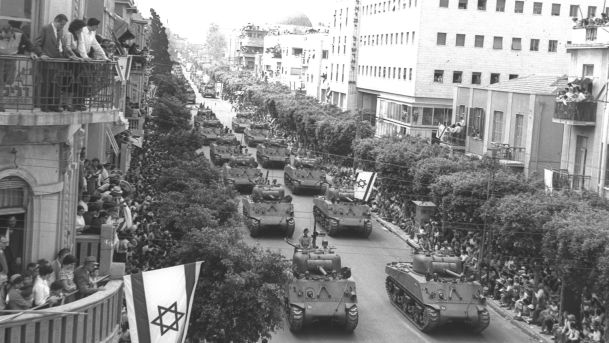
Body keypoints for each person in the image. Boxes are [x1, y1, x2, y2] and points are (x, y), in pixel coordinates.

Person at [33, 14, 69, 112]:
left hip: (58, 62)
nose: (62, 27)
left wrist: (69, 56)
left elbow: (62, 46)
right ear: (56, 20)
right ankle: (45, 106)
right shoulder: (45, 28)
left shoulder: (60, 32)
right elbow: (37, 44)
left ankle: (55, 105)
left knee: (57, 85)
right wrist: (41, 54)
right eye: (61, 24)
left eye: (63, 25)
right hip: (47, 62)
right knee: (46, 84)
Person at [0, 20, 36, 112]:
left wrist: (32, 52)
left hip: (12, 59)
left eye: (8, 38)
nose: (6, 39)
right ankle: (1, 105)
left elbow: (29, 44)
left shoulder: (20, 34)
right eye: (4, 37)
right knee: (0, 83)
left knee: (10, 81)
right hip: (0, 59)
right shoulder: (0, 33)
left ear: (12, 33)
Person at [61, 19, 87, 111]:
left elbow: (80, 48)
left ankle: (69, 103)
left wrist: (83, 57)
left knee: (74, 83)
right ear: (76, 27)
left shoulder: (77, 36)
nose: (81, 30)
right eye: (80, 28)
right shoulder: (69, 35)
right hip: (70, 61)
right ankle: (65, 103)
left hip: (76, 62)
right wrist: (75, 56)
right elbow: (67, 47)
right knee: (68, 82)